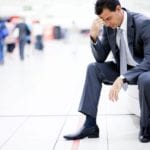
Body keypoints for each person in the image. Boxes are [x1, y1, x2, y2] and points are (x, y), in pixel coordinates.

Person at [64, 0, 150, 143]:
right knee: (93, 68)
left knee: (145, 79)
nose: (107, 23)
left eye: (108, 18)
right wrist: (94, 36)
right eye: (103, 20)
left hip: (144, 69)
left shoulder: (144, 23)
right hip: (123, 67)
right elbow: (100, 58)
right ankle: (90, 125)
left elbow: (149, 60)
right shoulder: (109, 26)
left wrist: (123, 77)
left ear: (118, 9)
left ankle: (147, 127)